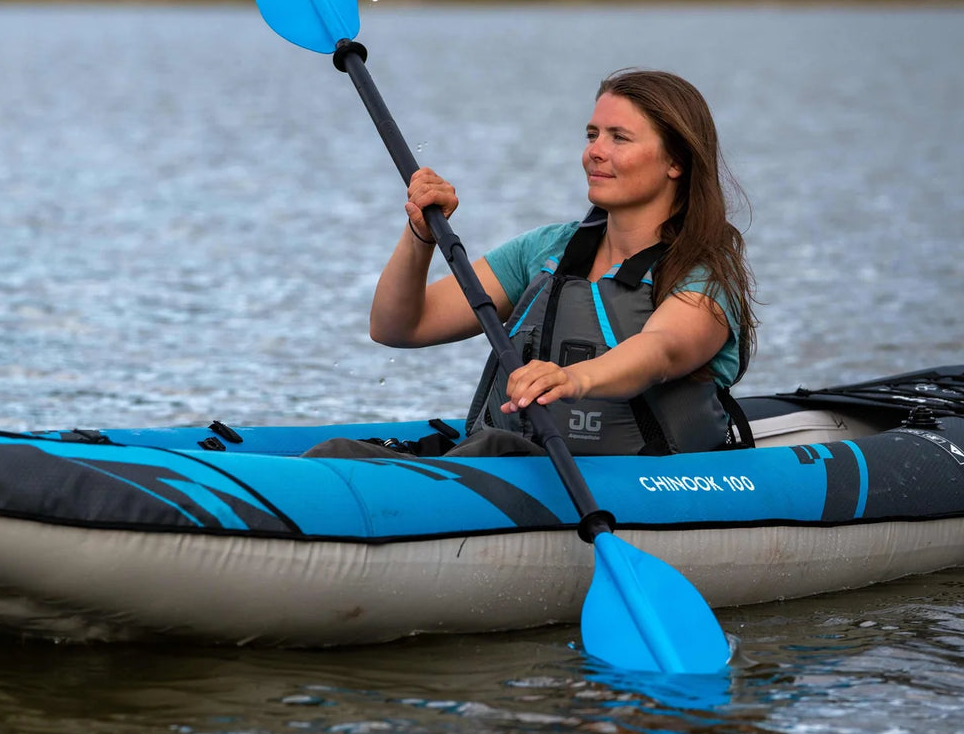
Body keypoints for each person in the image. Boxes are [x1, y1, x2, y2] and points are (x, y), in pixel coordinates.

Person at [308, 68, 757, 459]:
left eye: (619, 138)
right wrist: (420, 236)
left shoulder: (704, 274)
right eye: (592, 134)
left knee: (492, 448)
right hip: (513, 462)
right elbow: (397, 327)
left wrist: (572, 379)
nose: (594, 151)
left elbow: (661, 351)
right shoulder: (547, 250)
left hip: (634, 480)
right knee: (336, 453)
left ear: (675, 162)